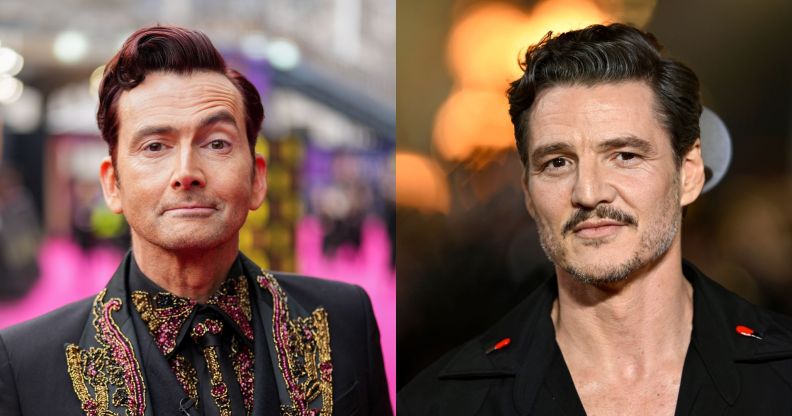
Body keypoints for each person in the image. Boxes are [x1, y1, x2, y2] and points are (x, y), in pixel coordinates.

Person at [398, 23, 792, 415]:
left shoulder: (780, 372)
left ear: (688, 174)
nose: (588, 193)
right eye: (557, 163)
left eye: (625, 156)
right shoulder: (444, 403)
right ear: (528, 193)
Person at [0, 25, 391, 416]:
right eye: (155, 146)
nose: (186, 171)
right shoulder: (25, 363)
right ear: (112, 184)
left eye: (216, 143)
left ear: (257, 179)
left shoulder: (344, 320)